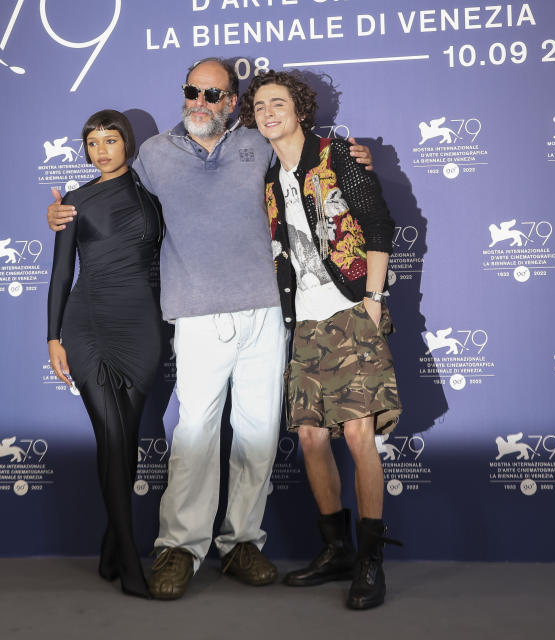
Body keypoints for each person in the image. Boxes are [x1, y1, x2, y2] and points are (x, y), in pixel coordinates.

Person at [47, 59, 373, 600]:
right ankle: (180, 546)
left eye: (213, 94)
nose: (200, 102)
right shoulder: (154, 154)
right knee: (195, 435)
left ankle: (242, 541)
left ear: (231, 101)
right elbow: (111, 193)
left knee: (257, 434)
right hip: (195, 315)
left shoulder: (257, 142)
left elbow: (308, 158)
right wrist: (65, 214)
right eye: (191, 92)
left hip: (264, 312)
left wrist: (352, 158)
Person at [239, 70, 402, 610]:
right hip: (305, 324)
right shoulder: (267, 178)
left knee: (358, 436)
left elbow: (379, 226)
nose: (268, 113)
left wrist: (372, 300)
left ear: (300, 109)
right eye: (259, 105)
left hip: (352, 311)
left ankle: (371, 559)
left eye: (277, 103)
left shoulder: (338, 157)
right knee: (311, 439)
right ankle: (336, 551)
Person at [46, 109, 163, 599]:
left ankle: (110, 546)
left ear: (128, 144)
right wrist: (53, 336)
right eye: (92, 142)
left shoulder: (155, 197)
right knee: (112, 432)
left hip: (143, 329)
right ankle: (130, 558)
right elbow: (60, 274)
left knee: (125, 438)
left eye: (110, 140)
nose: (101, 150)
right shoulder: (72, 202)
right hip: (88, 325)